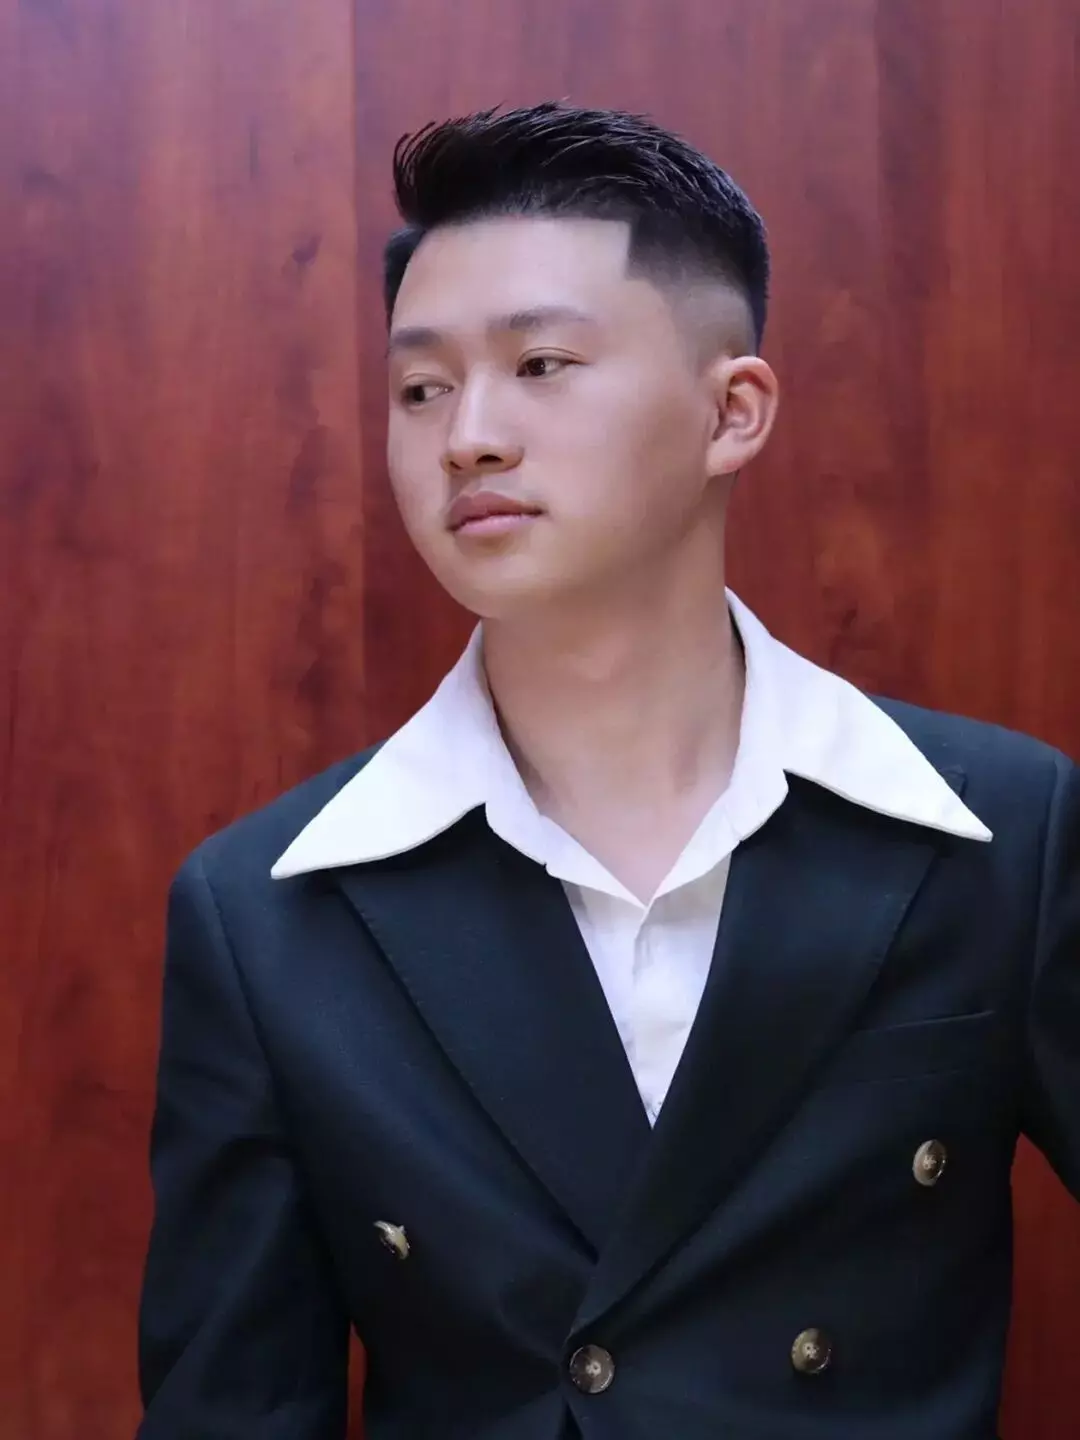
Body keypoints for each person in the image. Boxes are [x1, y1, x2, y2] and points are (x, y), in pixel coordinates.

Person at [137, 103, 1080, 1440]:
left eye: (542, 364)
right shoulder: (265, 916)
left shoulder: (1001, 833)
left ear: (731, 412)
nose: (468, 436)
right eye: (421, 388)